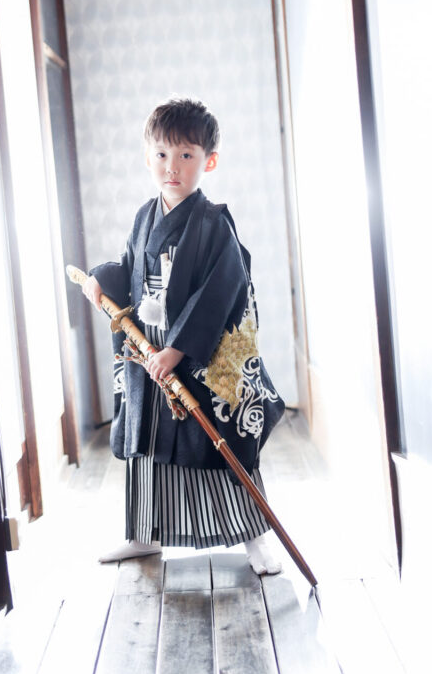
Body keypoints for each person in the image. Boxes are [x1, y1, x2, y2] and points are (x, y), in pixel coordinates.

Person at [82, 97, 285, 574]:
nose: (171, 167)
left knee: (216, 444)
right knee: (149, 444)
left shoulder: (214, 224)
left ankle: (255, 536)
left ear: (208, 161)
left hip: (194, 355)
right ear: (147, 157)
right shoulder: (144, 217)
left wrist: (177, 350)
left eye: (186, 155)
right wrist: (100, 278)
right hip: (147, 354)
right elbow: (129, 270)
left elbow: (223, 291)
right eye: (161, 154)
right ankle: (144, 534)